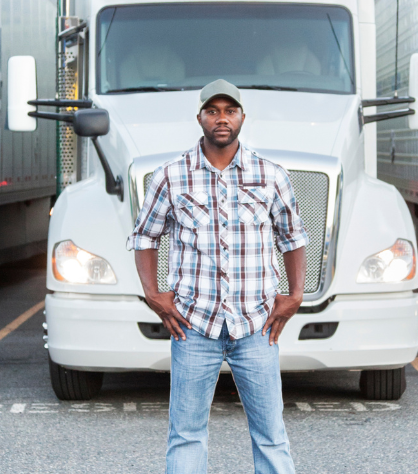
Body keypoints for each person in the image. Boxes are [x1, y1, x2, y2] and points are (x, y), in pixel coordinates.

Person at [127, 79, 308, 474]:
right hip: (193, 327)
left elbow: (292, 237)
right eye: (213, 111)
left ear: (242, 117)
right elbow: (144, 236)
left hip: (257, 327)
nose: (221, 119)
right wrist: (153, 294)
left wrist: (295, 295)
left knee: (271, 435)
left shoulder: (271, 175)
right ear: (200, 118)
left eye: (229, 111)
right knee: (187, 434)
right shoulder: (171, 176)